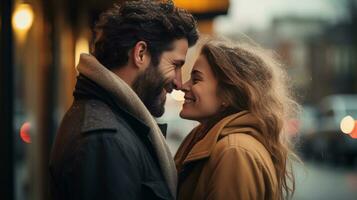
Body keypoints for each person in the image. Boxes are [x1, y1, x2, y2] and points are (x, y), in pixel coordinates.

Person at [49, 1, 198, 199]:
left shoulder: (110, 127)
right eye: (176, 65)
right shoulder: (104, 139)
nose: (179, 82)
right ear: (141, 53)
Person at [174, 39, 300, 200]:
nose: (183, 86)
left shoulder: (234, 151)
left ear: (227, 94)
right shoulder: (215, 141)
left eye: (196, 79)